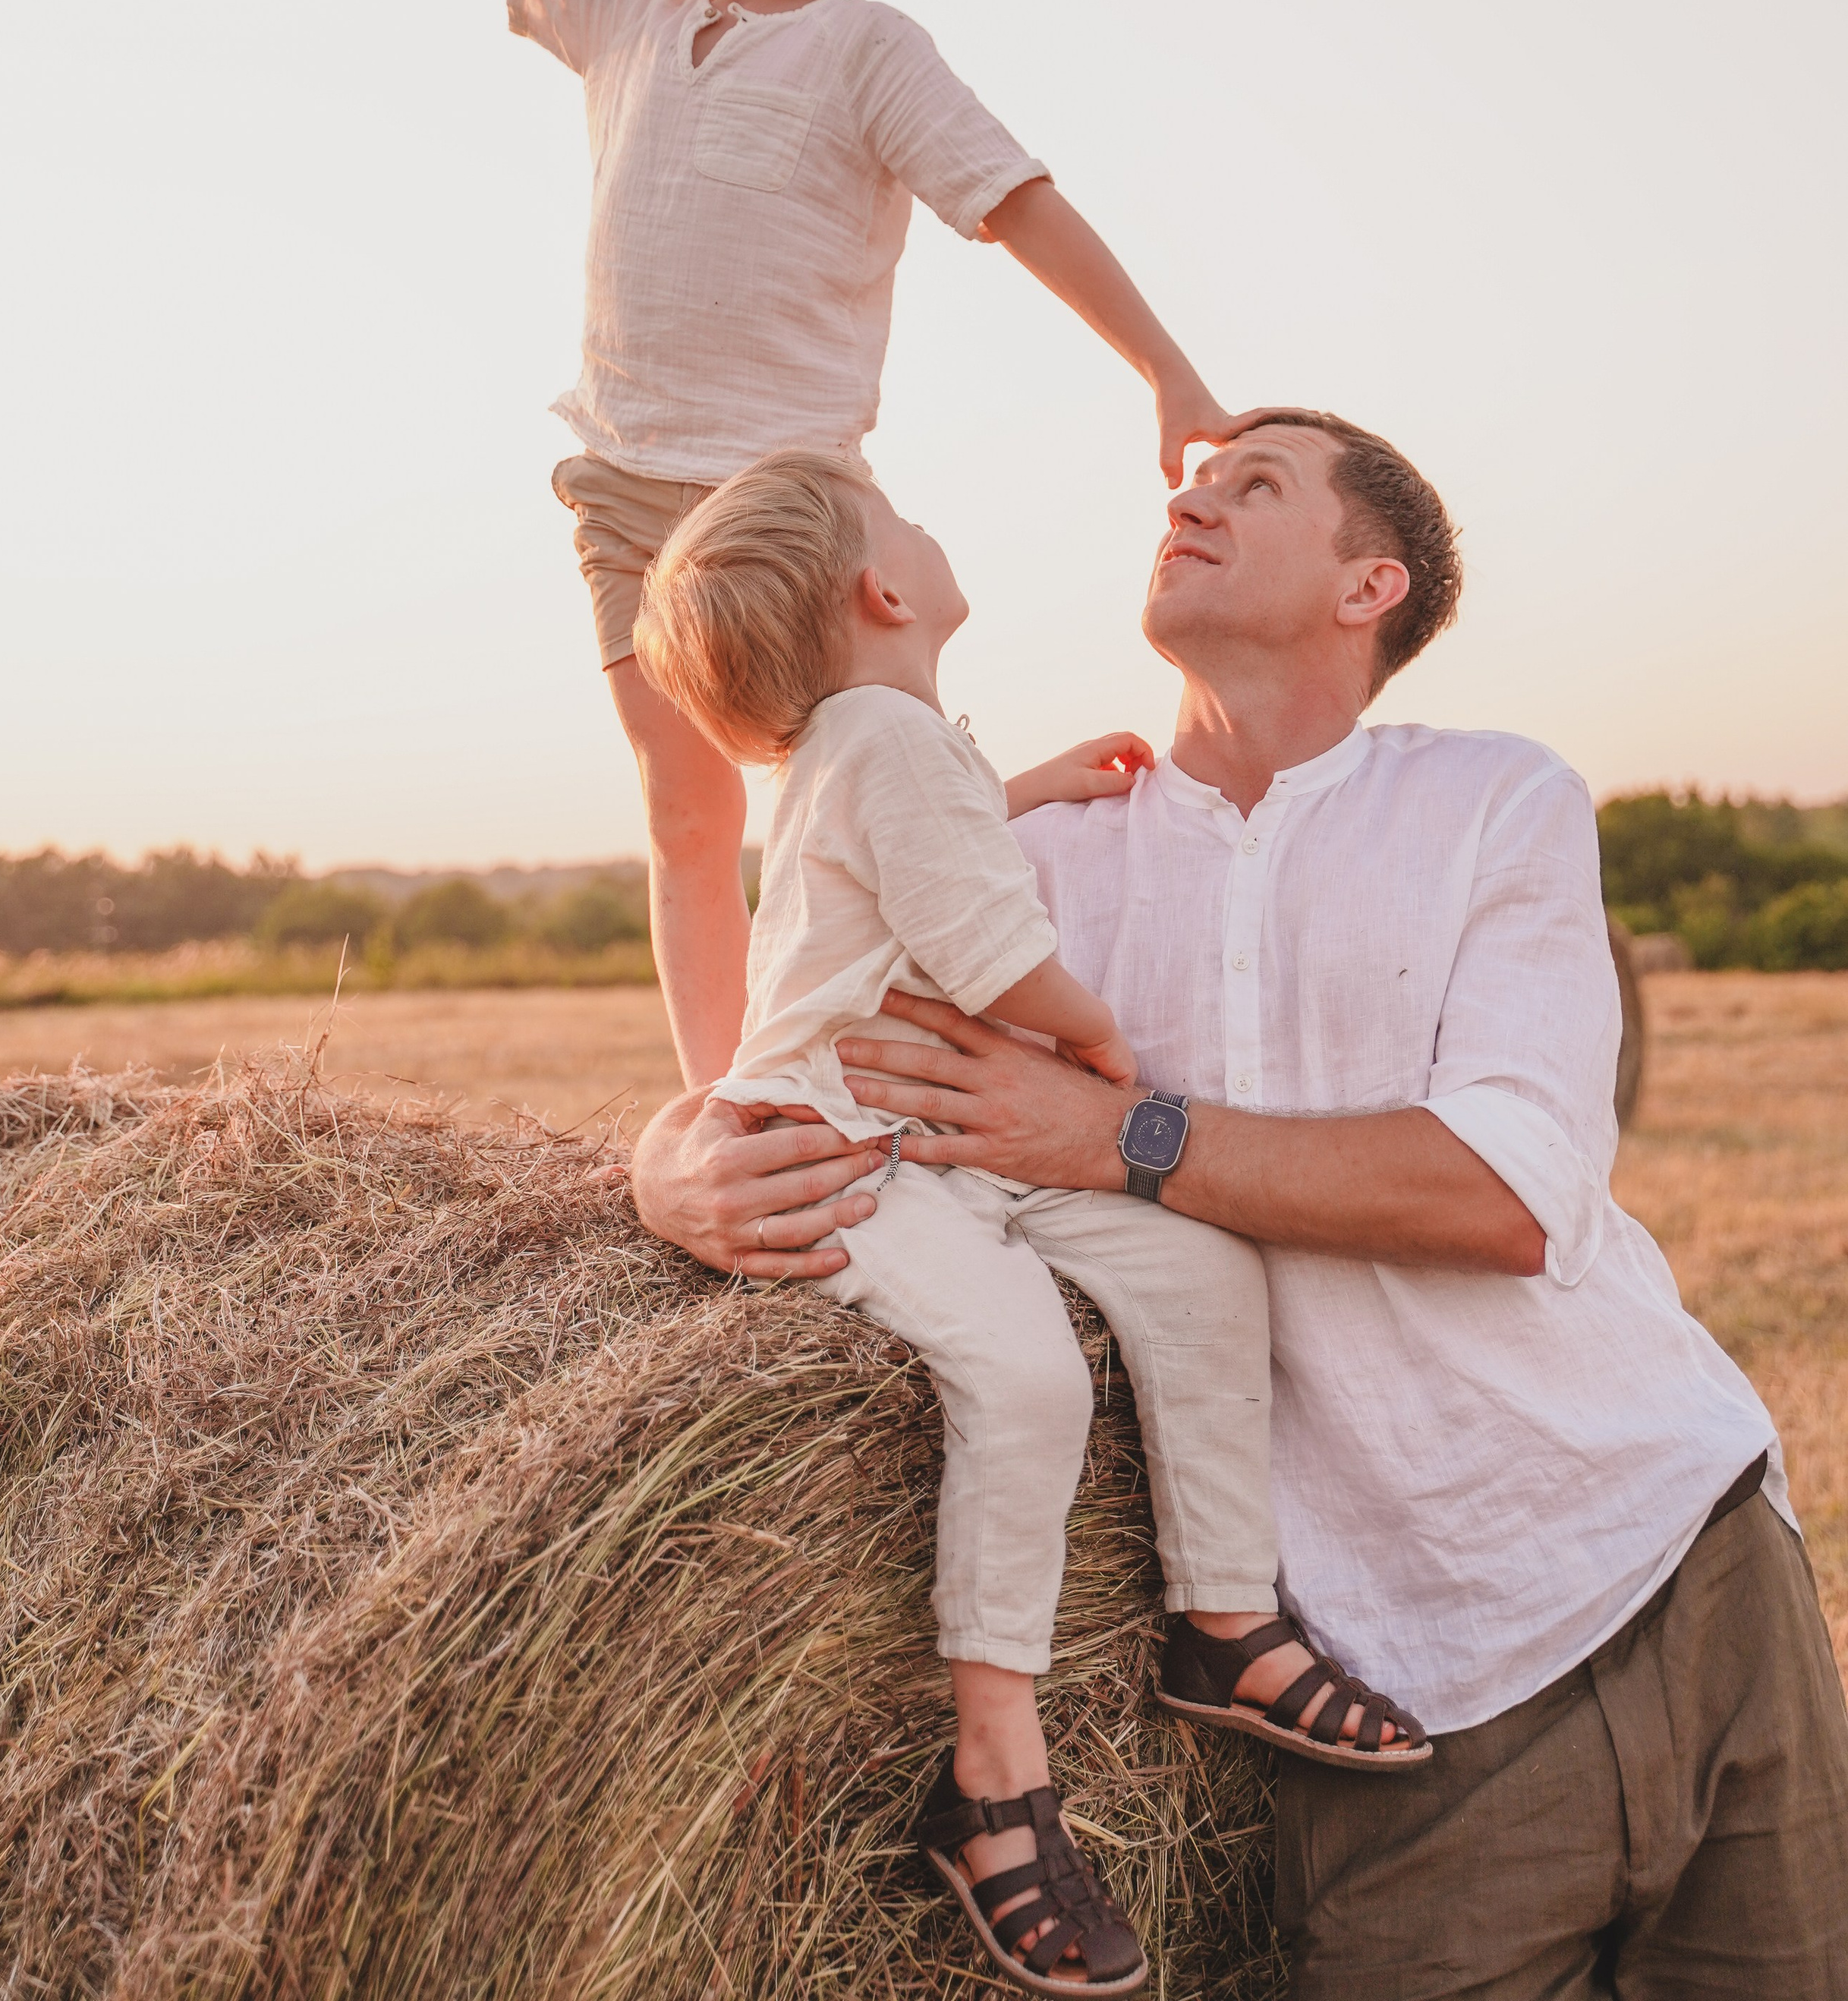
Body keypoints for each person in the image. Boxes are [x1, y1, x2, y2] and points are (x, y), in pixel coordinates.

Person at [633, 411, 1848, 1999]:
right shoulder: (1039, 856)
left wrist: (1115, 1133)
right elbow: (813, 995)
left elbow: (1503, 1194)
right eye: (1186, 483)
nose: (1191, 495)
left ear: (1368, 585)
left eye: (1251, 484)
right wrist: (672, 1165)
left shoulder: (1497, 800)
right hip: (1385, 1678)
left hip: (1674, 1553)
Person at [632, 448, 1425, 1999]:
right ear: (881, 589)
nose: (925, 532)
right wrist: (1104, 1056)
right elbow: (994, 953)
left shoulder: (868, 745)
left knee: (1197, 1265)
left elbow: (917, 855)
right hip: (850, 1157)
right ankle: (991, 1778)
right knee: (1028, 1377)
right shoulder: (883, 739)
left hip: (939, 1141)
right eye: (901, 524)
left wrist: (1030, 788)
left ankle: (1219, 1616)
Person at [448, 0, 1248, 1080]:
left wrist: (1167, 372)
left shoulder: (871, 50)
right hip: (628, 491)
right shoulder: (627, 15)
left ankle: (995, 988)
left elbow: (1020, 205)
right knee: (688, 817)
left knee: (873, 777)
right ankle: (730, 1099)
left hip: (794, 507)